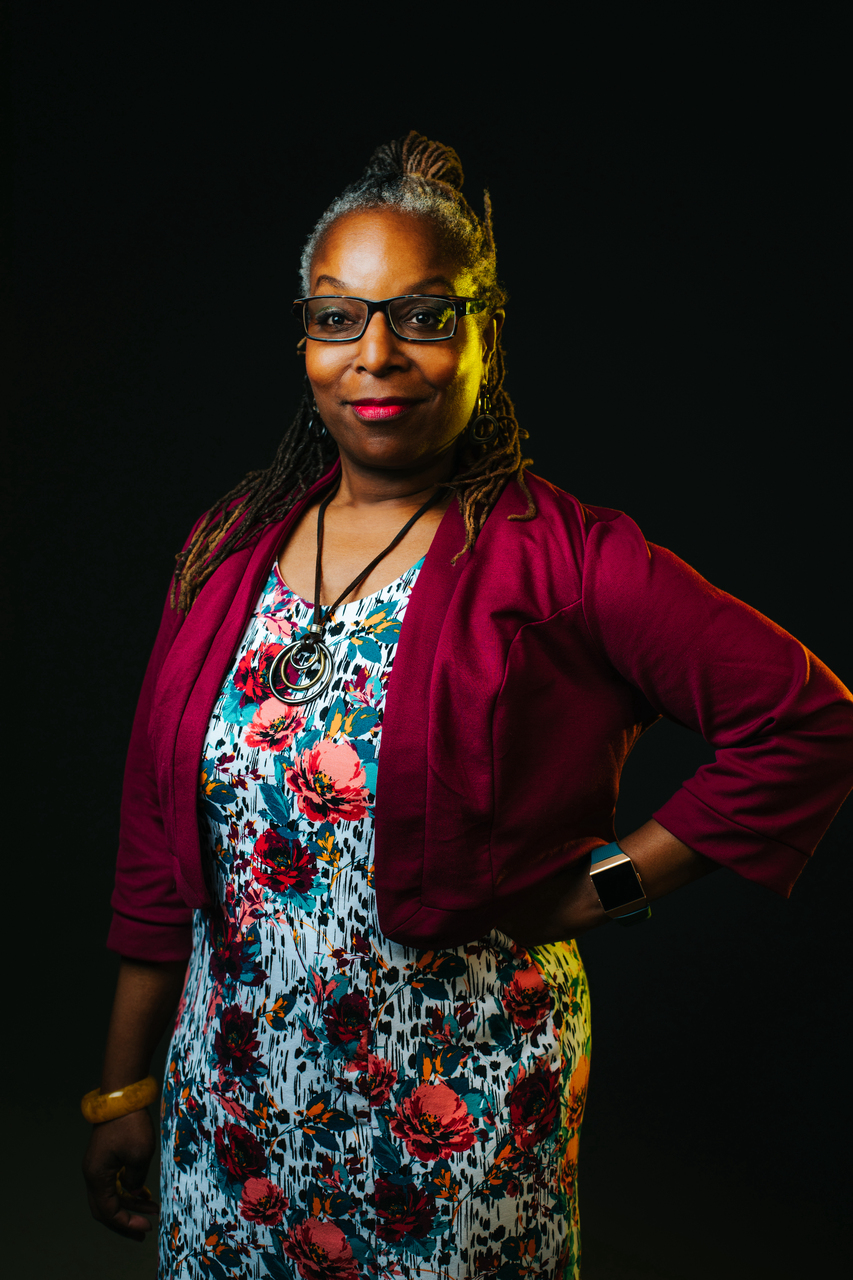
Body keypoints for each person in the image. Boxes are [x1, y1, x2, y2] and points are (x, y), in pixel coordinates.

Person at [82, 131, 853, 1280]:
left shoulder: (566, 562)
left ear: (486, 327)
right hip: (232, 1102)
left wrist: (612, 885)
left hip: (458, 1114)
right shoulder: (224, 551)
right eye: (338, 317)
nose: (376, 353)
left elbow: (809, 719)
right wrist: (122, 1081)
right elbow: (161, 842)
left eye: (424, 315)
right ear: (304, 336)